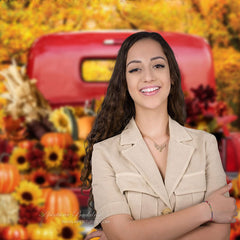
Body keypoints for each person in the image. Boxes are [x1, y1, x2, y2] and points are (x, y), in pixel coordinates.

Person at [82, 31, 237, 240]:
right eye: (135, 69)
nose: (148, 76)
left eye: (158, 65)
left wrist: (133, 234)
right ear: (125, 82)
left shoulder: (205, 144)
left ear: (171, 76)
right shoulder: (104, 153)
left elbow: (219, 234)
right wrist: (207, 210)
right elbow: (122, 235)